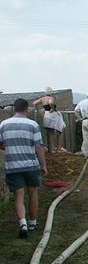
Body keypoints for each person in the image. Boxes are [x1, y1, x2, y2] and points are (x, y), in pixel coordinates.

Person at [0, 98, 48, 238]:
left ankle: (23, 223)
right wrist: (43, 165)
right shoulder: (32, 124)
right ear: (26, 109)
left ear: (14, 109)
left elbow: (1, 143)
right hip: (30, 165)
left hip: (13, 165)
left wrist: (10, 147)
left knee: (18, 196)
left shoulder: (4, 124)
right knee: (32, 194)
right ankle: (32, 222)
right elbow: (38, 147)